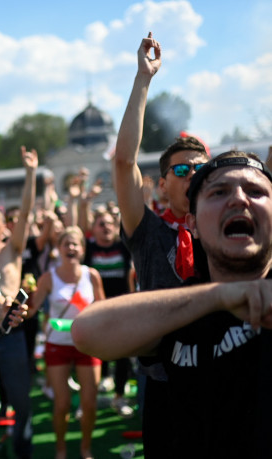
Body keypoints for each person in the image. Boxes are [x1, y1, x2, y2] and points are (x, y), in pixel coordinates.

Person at [73, 151, 272, 457]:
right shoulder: (187, 306)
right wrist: (222, 295)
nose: (238, 200)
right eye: (219, 192)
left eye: (256, 191)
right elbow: (87, 330)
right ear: (191, 223)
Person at [112, 32, 210, 455]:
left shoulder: (229, 227)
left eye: (201, 169)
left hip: (222, 372)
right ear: (164, 182)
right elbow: (123, 161)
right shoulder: (148, 231)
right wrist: (143, 79)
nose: (193, 175)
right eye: (182, 169)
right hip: (163, 381)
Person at [0, 146, 37, 459]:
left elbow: (26, 213)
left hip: (12, 338)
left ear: (4, 225)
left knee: (22, 401)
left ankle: (22, 448)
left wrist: (30, 172)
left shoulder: (13, 249)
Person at [32, 226, 104, 459]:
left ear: (82, 249)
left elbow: (103, 309)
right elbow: (32, 309)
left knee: (90, 403)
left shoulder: (91, 275)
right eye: (66, 244)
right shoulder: (48, 277)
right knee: (62, 404)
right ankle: (61, 449)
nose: (71, 248)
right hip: (57, 346)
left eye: (75, 244)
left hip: (88, 345)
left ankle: (85, 448)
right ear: (59, 249)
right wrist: (20, 306)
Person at [83, 210, 135, 416]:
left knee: (122, 354)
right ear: (93, 229)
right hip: (96, 310)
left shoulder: (124, 247)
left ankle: (119, 396)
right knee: (96, 352)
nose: (106, 228)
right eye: (101, 224)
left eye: (110, 224)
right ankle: (92, 397)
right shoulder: (88, 249)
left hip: (121, 308)